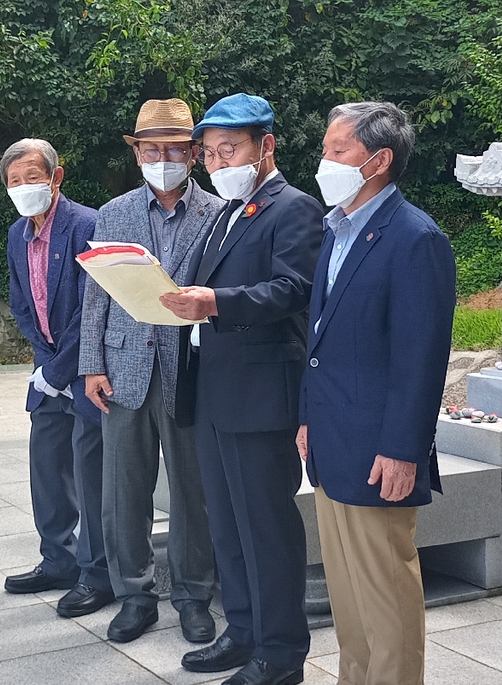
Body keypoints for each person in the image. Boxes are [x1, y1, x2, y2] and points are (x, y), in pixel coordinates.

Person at [159, 93, 323, 685]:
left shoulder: (293, 208)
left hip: (259, 396)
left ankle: (280, 656)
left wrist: (215, 302)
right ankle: (244, 632)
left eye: (230, 149)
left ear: (266, 147)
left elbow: (295, 289)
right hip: (211, 391)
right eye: (208, 153)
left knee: (266, 529)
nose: (216, 162)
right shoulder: (222, 214)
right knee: (226, 525)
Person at [296, 101, 456, 685]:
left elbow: (421, 358)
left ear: (379, 160)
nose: (325, 161)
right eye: (326, 148)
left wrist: (403, 449)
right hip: (332, 441)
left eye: (338, 150)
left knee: (386, 595)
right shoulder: (335, 229)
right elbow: (321, 341)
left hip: (378, 450)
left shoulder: (415, 239)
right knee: (348, 599)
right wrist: (307, 415)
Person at [78, 98, 222, 644]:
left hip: (190, 370)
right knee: (123, 492)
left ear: (192, 154)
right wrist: (91, 363)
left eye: (175, 149)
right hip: (123, 368)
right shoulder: (112, 213)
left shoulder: (218, 213)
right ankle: (135, 595)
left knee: (193, 491)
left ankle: (192, 596)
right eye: (151, 149)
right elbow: (97, 297)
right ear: (137, 153)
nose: (162, 158)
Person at [1, 138, 114, 619]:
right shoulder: (16, 234)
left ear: (56, 177)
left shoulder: (87, 225)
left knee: (92, 476)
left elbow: (93, 308)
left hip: (86, 368)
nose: (25, 187)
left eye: (33, 176)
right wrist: (45, 366)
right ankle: (57, 560)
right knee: (47, 470)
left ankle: (97, 574)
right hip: (47, 369)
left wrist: (61, 367)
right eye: (15, 181)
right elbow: (22, 302)